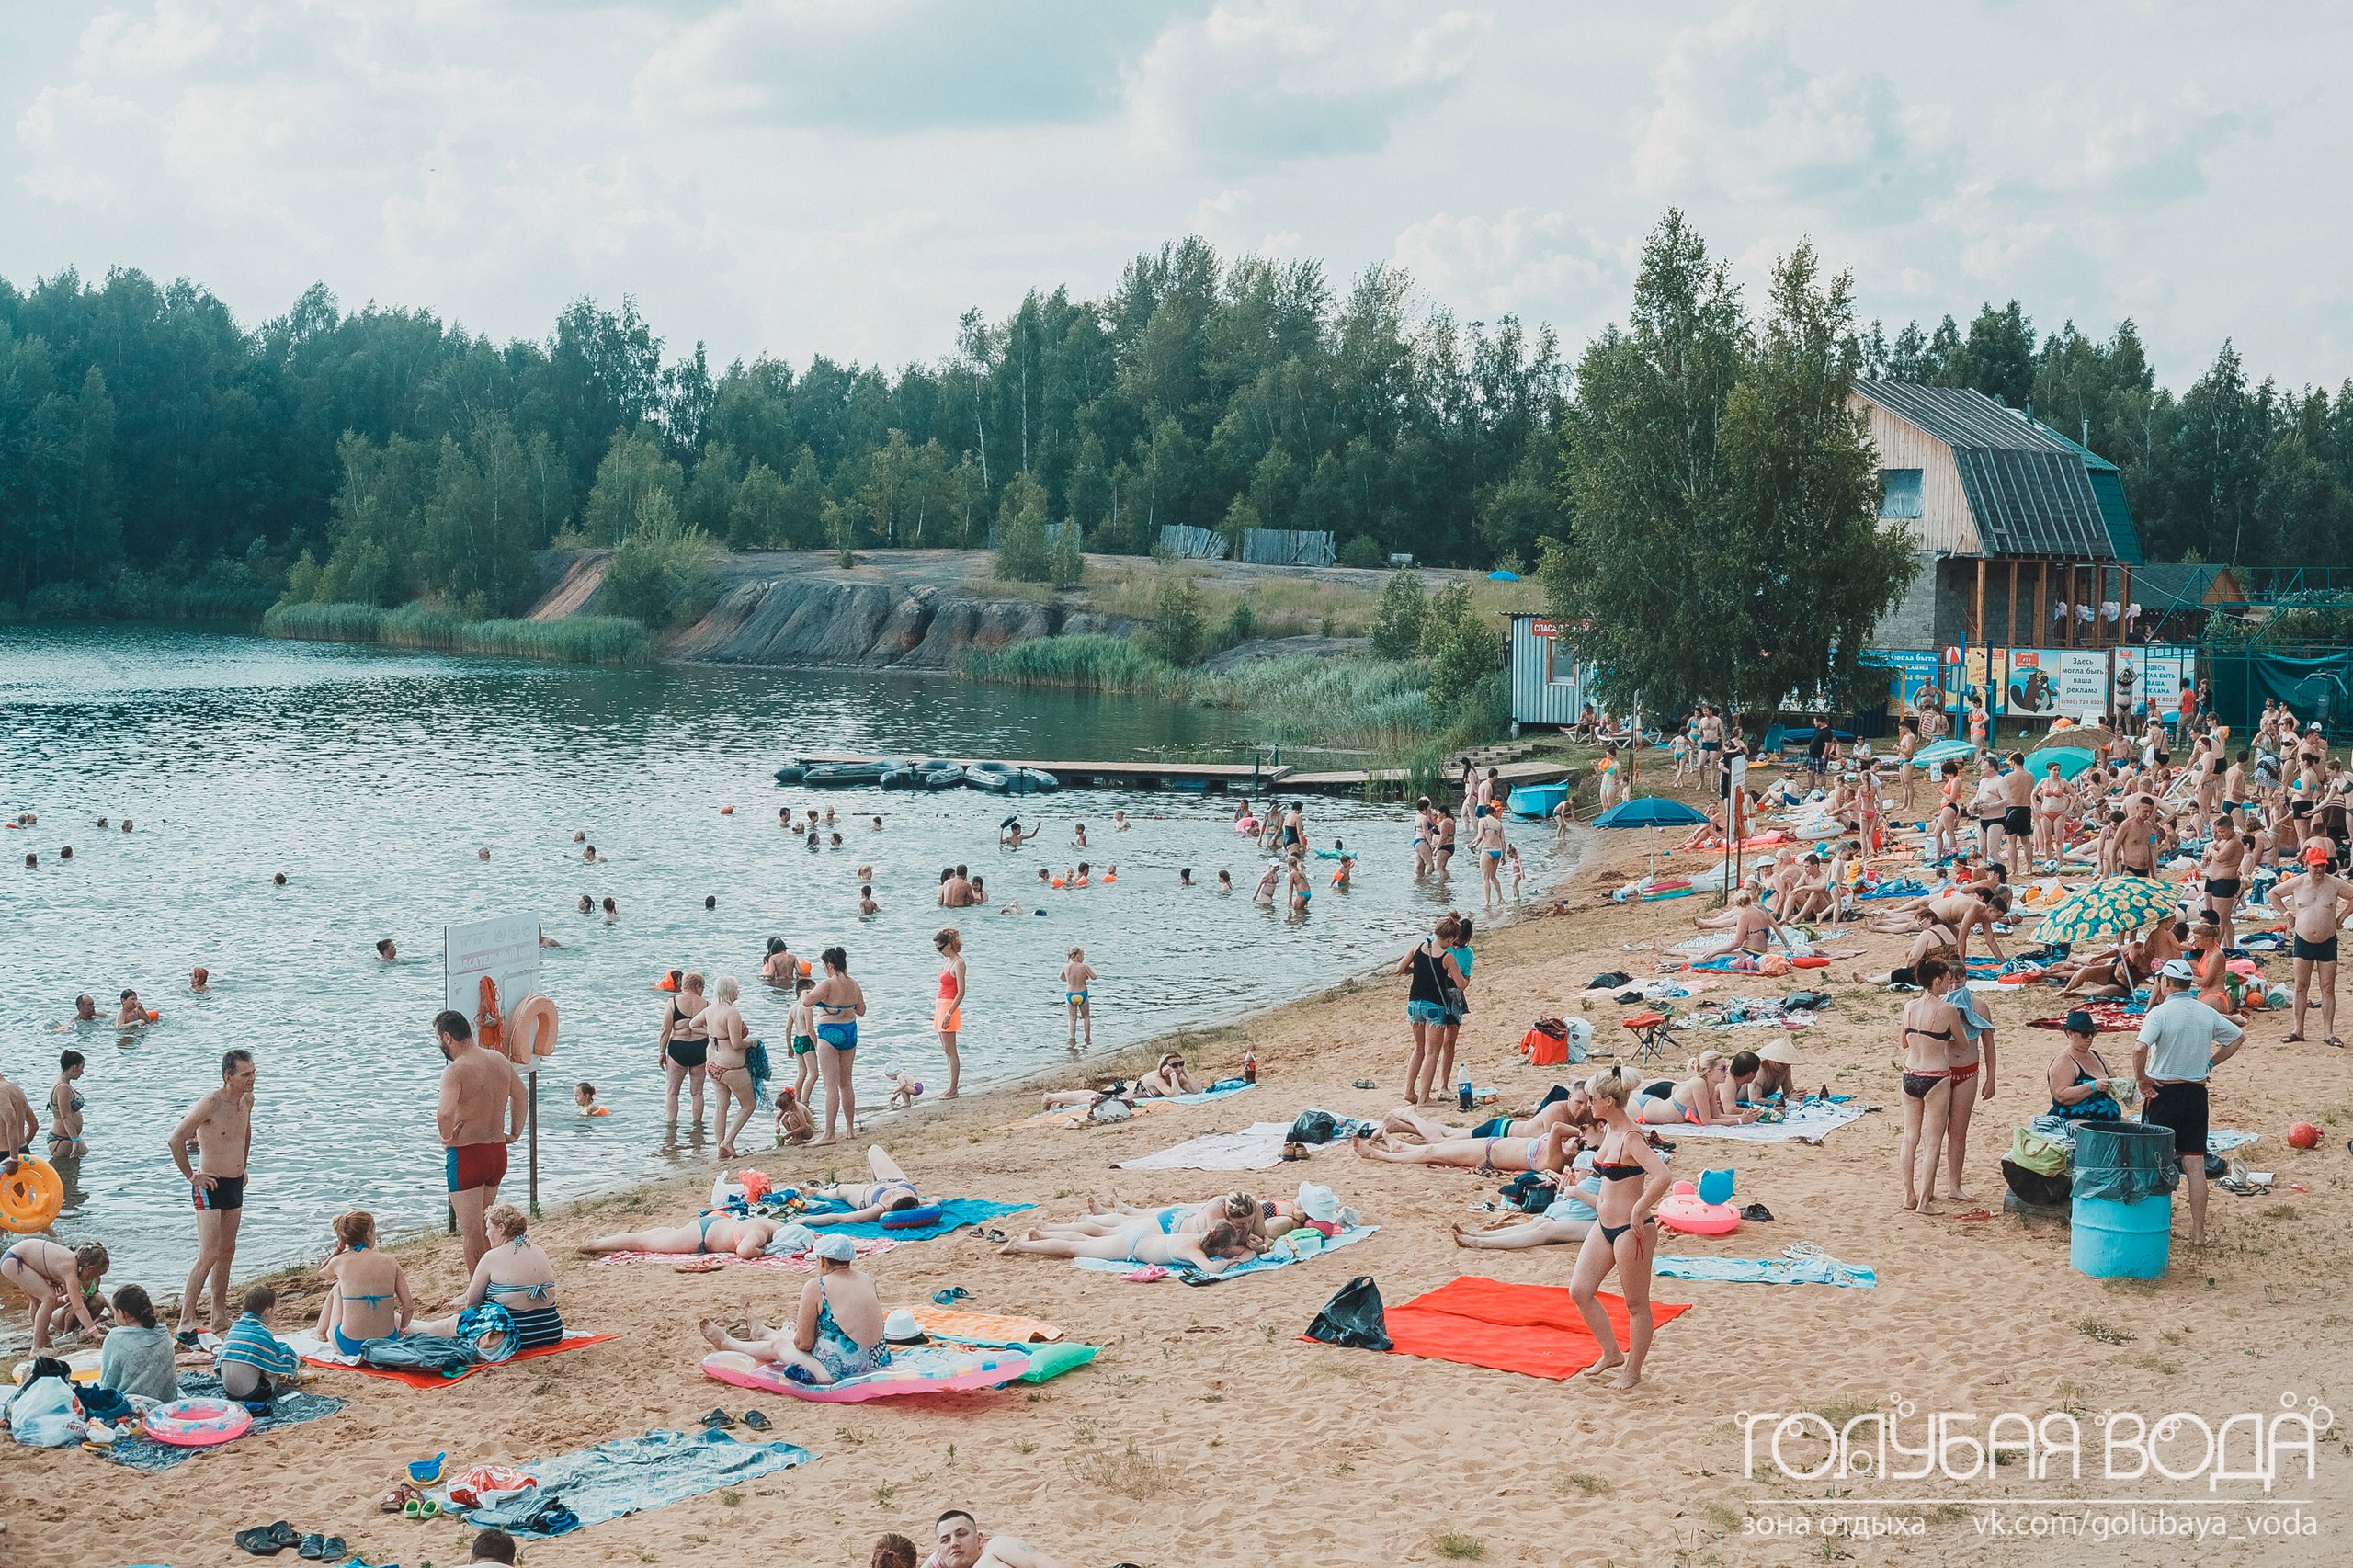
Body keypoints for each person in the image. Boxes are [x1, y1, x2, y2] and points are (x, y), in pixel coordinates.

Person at [1565, 1065, 1670, 1391]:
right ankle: (1611, 1353)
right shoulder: (1609, 1129)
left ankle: (1633, 1371)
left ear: (1609, 1101)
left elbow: (1662, 1176)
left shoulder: (1631, 1136)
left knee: (1636, 1304)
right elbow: (1611, 1177)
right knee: (1580, 1291)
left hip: (1631, 1229)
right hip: (1604, 1223)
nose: (1587, 1104)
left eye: (1593, 1099)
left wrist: (1640, 1208)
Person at [2133, 960, 2245, 1246]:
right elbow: (2236, 1038)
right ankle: (2198, 1232)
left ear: (2167, 983)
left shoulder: (2159, 1014)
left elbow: (2139, 1048)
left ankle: (2156, 1223)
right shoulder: (2204, 1012)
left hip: (2164, 1092)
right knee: (2194, 1163)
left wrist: (2142, 1079)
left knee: (2156, 1161)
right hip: (2195, 1093)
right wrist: (2209, 1064)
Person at [701, 1233, 888, 1383]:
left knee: (781, 1346)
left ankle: (728, 1343)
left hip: (839, 1371)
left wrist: (796, 1342)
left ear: (822, 1261)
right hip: (876, 1360)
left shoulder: (817, 1286)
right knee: (817, 1336)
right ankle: (764, 1332)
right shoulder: (867, 1279)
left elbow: (804, 1344)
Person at [168, 1048, 255, 1339]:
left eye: (253, 1072)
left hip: (234, 1183)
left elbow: (245, 1131)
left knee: (227, 1252)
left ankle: (218, 1315)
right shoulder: (211, 1103)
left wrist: (243, 1165)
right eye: (246, 1074)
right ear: (228, 1076)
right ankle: (185, 1320)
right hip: (210, 1186)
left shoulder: (247, 1100)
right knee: (209, 1253)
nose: (252, 1078)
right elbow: (176, 1138)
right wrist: (193, 1176)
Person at [436, 1010, 527, 1276]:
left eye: (439, 1040)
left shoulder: (456, 1070)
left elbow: (444, 1112)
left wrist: (446, 1136)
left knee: (473, 1233)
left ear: (447, 1037)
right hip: (496, 1152)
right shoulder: (497, 1059)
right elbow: (520, 1094)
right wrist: (515, 1131)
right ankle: (496, 1281)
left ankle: (478, 1291)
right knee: (488, 1226)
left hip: (468, 1154)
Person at [416, 1204, 563, 1352]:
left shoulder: (492, 1257)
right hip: (551, 1331)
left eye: (488, 1228)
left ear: (501, 1227)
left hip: (516, 1336)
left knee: (451, 1324)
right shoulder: (539, 1251)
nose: (486, 1234)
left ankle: (406, 1326)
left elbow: (472, 1303)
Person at [1894, 959, 1962, 1214]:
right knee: (1932, 1141)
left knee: (1909, 1137)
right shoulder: (1947, 1010)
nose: (1948, 983)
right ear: (1937, 980)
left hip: (1910, 1073)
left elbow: (1903, 1042)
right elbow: (1963, 1043)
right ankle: (1924, 1201)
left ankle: (1908, 1195)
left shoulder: (1909, 1007)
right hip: (1935, 1075)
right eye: (1946, 979)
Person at [2279, 844, 2353, 1047]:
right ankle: (2298, 1029)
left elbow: (2352, 896)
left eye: (2322, 865)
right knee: (2301, 986)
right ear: (2307, 865)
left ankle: (2328, 1032)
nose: (2320, 869)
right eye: (2316, 866)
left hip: (2327, 940)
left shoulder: (2335, 884)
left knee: (2327, 987)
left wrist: (2341, 918)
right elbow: (2273, 894)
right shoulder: (2297, 883)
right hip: (2303, 939)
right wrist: (2286, 913)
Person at [315, 1210, 414, 1354]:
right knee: (342, 1287)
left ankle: (320, 1332)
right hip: (388, 1341)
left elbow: (322, 1272)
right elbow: (409, 1306)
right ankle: (320, 1332)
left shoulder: (340, 1262)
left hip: (348, 1345)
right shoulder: (390, 1261)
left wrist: (339, 1249)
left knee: (338, 1288)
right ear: (369, 1234)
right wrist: (401, 1330)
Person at [1398, 914, 1468, 1106]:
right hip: (1434, 1006)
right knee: (1432, 1052)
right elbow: (1461, 985)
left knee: (1418, 1048)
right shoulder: (1448, 958)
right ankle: (1424, 1098)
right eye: (1453, 940)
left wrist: (1418, 971)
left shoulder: (1418, 946)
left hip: (1414, 1003)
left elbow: (1400, 968)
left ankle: (1409, 1091)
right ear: (1450, 938)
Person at [1351, 1119, 1578, 1174]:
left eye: (1574, 1145)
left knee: (1431, 1153)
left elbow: (1557, 1127)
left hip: (1486, 1155)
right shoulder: (1556, 1149)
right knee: (1436, 1149)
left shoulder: (1555, 1160)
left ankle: (1375, 1154)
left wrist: (1579, 1133)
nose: (1571, 1142)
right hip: (1490, 1145)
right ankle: (1399, 1147)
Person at [0, 1239, 108, 1350]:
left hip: (14, 1258)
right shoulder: (71, 1271)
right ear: (90, 1269)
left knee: (37, 1301)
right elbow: (79, 1307)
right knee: (48, 1298)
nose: (91, 1279)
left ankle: (42, 1339)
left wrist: (50, 1277)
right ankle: (37, 1347)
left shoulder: (75, 1260)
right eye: (95, 1275)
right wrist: (95, 1333)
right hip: (15, 1260)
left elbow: (45, 1261)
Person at [810, 947, 867, 1146]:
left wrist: (805, 994)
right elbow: (862, 1010)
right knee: (846, 1083)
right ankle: (850, 1129)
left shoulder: (827, 984)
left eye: (825, 966)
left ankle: (829, 1134)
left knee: (830, 1086)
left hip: (829, 1032)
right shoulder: (854, 984)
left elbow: (807, 1001)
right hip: (850, 1031)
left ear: (830, 965)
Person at [578, 1207, 793, 1256]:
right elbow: (745, 1251)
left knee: (662, 1235)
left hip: (711, 1227)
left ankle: (604, 1239)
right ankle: (595, 1245)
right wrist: (763, 1253)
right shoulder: (761, 1231)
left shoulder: (769, 1224)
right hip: (703, 1235)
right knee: (643, 1243)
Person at [799, 1144, 929, 1225]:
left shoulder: (880, 1208)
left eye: (893, 1195)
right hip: (890, 1179)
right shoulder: (917, 1200)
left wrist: (805, 1220)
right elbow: (936, 1201)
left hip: (868, 1193)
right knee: (873, 1149)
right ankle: (875, 1182)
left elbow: (841, 1218)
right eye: (898, 1192)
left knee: (840, 1190)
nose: (893, 1191)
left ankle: (816, 1191)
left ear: (890, 1206)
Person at [216, 1284, 301, 1403]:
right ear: (268, 1311)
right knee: (279, 1357)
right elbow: (271, 1367)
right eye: (274, 1310)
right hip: (253, 1394)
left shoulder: (235, 1328)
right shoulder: (261, 1333)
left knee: (259, 1356)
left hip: (229, 1392)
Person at [703, 977, 758, 1160]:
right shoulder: (732, 1013)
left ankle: (721, 1148)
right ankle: (728, 1142)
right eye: (736, 988)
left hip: (712, 1064)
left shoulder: (709, 1009)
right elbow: (736, 1044)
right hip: (731, 1067)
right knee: (749, 1104)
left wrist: (713, 1036)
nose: (738, 991)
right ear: (729, 991)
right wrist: (753, 1043)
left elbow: (692, 1024)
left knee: (721, 1106)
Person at [99, 1283, 178, 1401]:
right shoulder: (163, 1333)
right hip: (165, 1401)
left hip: (132, 1403)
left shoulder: (115, 1338)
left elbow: (108, 1382)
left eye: (115, 1312)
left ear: (123, 1314)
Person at [1633, 1052, 1755, 1127]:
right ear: (1709, 1072)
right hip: (1643, 1108)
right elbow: (1706, 1121)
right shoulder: (1699, 1083)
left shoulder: (1710, 1085)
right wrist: (1739, 1121)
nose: (1726, 1072)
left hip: (1654, 1104)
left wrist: (1747, 1116)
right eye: (1723, 1069)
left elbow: (1717, 1115)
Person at [657, 971, 711, 1134]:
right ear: (697, 986)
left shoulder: (673, 1003)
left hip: (678, 1049)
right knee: (697, 1092)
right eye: (703, 987)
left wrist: (661, 1052)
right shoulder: (707, 1005)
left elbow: (665, 1030)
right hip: (700, 1048)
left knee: (673, 1092)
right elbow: (712, 1031)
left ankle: (671, 1128)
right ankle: (697, 1127)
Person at [2046, 1010, 2124, 1123]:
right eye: (2085, 1034)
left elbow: (2113, 1081)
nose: (2089, 1038)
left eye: (2093, 1033)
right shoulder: (2064, 1061)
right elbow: (2061, 1095)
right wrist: (2092, 1086)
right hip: (2074, 1120)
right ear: (2069, 1033)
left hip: (2106, 1121)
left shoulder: (2096, 1055)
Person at [926, 1511, 1064, 1568]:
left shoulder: (995, 1548)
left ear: (979, 1539)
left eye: (961, 1534)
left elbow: (1042, 1562)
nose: (954, 1543)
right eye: (945, 1540)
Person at [934, 928, 966, 1100]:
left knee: (951, 1049)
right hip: (941, 1005)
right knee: (946, 1049)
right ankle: (950, 1086)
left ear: (949, 945)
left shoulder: (959, 963)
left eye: (941, 948)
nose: (939, 952)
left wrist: (949, 1013)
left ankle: (953, 1088)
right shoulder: (947, 961)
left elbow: (961, 992)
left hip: (949, 1007)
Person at [47, 1051, 85, 1159]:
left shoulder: (63, 1083)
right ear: (73, 1068)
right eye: (81, 1068)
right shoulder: (62, 1087)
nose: (82, 1072)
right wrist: (75, 1140)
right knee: (66, 1175)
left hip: (69, 1138)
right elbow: (65, 1116)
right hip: (61, 1140)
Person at [1059, 947, 1096, 1051]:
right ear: (1079, 956)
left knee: (1072, 1018)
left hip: (1070, 994)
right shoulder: (1084, 967)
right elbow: (1094, 977)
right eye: (1083, 956)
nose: (1083, 958)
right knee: (1086, 1017)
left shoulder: (1066, 967)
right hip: (1082, 993)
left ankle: (1072, 1039)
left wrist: (1070, 978)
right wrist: (1086, 976)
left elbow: (1061, 978)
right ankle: (1087, 1038)